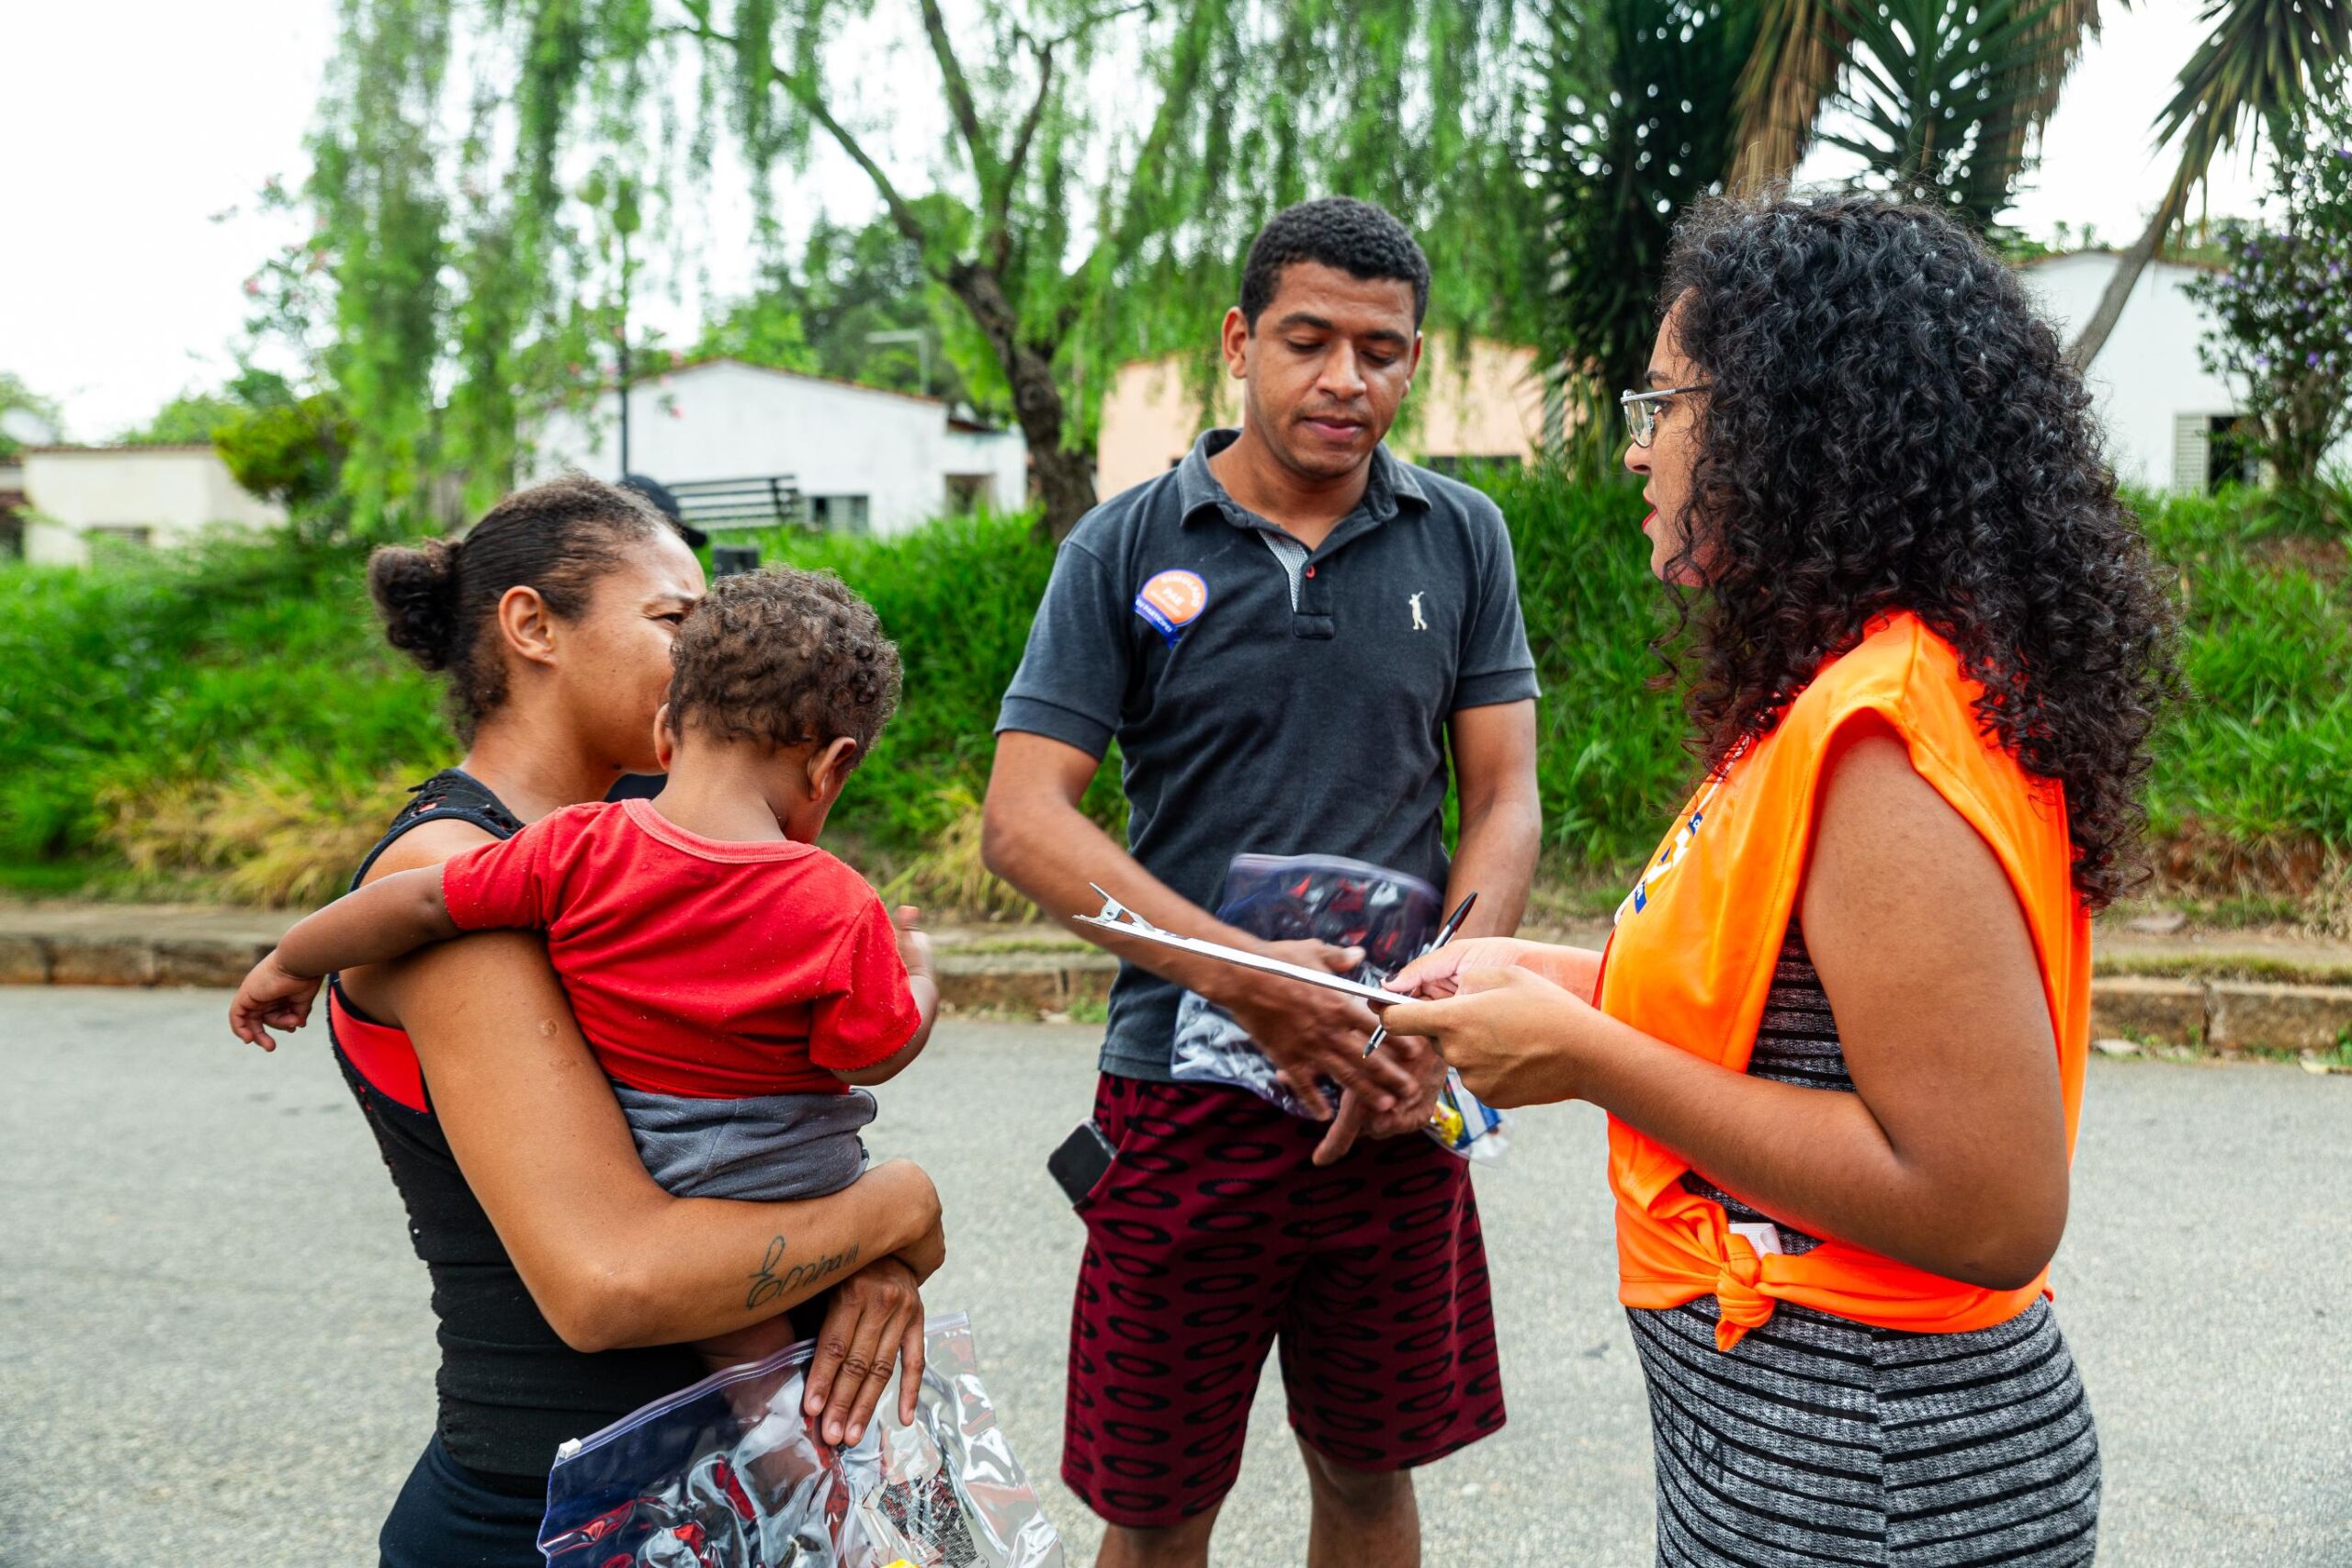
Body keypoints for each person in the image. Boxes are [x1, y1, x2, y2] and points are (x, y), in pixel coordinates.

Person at [1381, 192, 2175, 1567]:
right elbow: (1784, 1018)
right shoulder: (1837, 693)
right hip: (1800, 1454)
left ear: (1789, 430)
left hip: (1881, 1479)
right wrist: (1548, 978)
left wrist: (1584, 1052)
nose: (1642, 451)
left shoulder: (1886, 735)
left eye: (1664, 404)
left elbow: (1989, 1204)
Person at [982, 197, 1543, 1568]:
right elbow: (1024, 822)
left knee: (1367, 1474)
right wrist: (1252, 980)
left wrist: (1436, 1014)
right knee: (1160, 1501)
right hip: (1178, 1100)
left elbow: (1506, 796)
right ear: (1240, 341)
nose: (1346, 379)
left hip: (1390, 1095)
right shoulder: (1120, 547)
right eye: (1309, 340)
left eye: (1383, 349)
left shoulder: (1461, 535)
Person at [287, 475, 945, 1568]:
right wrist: (894, 1207)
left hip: (697, 1494)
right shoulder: (457, 875)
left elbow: (759, 1125)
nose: (703, 659)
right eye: (674, 623)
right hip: (551, 1511)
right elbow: (611, 1281)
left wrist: (851, 1262)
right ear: (532, 626)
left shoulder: (641, 855)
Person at [231, 565, 939, 1377]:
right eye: (665, 611)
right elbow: (865, 1050)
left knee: (753, 1360)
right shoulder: (835, 900)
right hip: (788, 1174)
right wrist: (921, 983)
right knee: (800, 1373)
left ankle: (774, 1432)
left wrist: (290, 958)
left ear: (668, 731)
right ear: (831, 766)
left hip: (656, 1158)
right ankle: (798, 1469)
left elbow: (419, 904)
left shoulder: (574, 847)